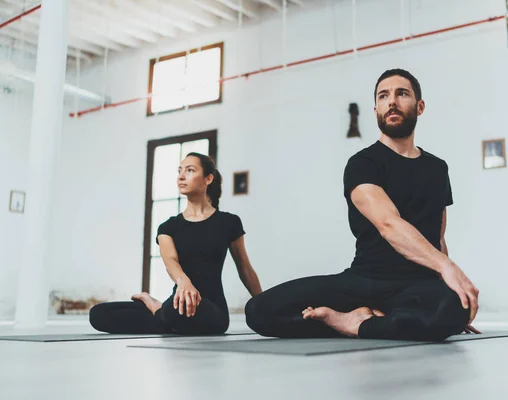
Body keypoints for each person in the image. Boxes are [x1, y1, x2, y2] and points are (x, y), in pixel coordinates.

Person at [245, 69, 480, 341]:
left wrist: (449, 301)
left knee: (453, 308)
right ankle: (376, 321)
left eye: (402, 93)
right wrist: (447, 268)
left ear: (420, 106)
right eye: (384, 96)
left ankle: (358, 324)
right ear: (376, 108)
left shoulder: (437, 168)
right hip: (362, 280)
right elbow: (388, 224)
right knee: (259, 311)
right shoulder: (362, 164)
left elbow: (438, 237)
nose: (392, 101)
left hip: (415, 286)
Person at [90, 153, 262, 335]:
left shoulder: (229, 222)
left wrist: (262, 303)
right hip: (178, 301)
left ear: (208, 179)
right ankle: (164, 312)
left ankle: (157, 308)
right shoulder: (168, 227)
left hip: (211, 308)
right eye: (179, 171)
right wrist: (184, 282)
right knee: (98, 314)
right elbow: (171, 262)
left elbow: (245, 268)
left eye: (190, 170)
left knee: (179, 312)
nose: (181, 176)